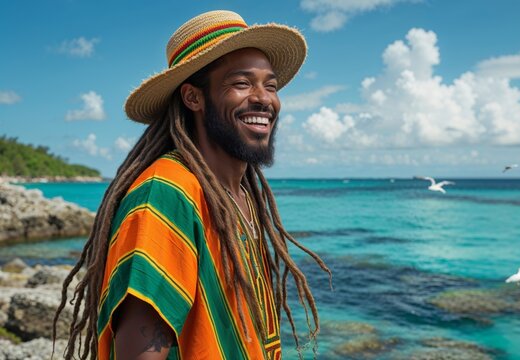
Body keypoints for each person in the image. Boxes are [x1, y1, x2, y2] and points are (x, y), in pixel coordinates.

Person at [53, 10, 330, 360]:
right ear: (193, 98)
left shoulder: (239, 195)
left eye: (270, 85)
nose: (264, 98)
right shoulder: (168, 194)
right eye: (242, 83)